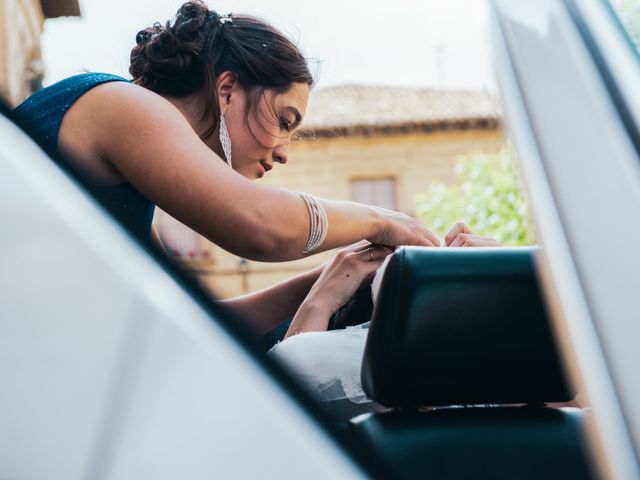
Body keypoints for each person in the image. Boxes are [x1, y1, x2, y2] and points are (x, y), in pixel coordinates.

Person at [15, 1, 441, 336]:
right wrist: (381, 219)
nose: (283, 152)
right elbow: (258, 224)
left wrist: (338, 277)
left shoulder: (136, 179)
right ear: (228, 90)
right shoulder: (122, 104)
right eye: (284, 121)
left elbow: (188, 324)